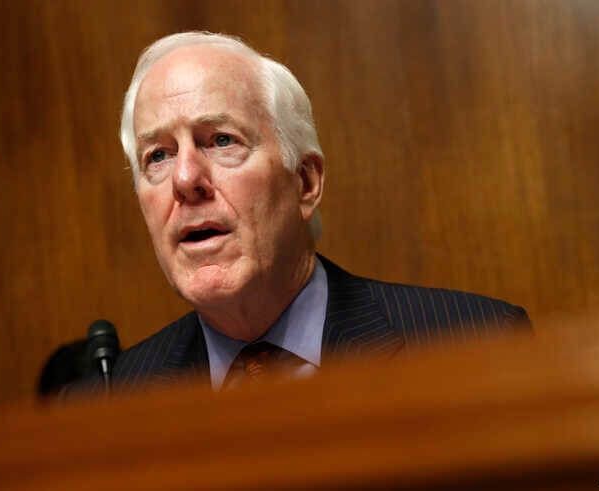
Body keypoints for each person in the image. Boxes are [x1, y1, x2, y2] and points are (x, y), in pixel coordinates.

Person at [72, 31, 529, 394]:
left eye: (222, 140)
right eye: (158, 156)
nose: (185, 178)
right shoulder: (110, 404)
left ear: (305, 182)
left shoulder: (473, 345)